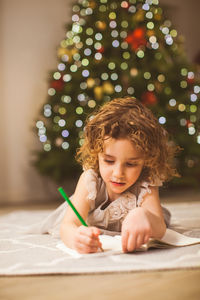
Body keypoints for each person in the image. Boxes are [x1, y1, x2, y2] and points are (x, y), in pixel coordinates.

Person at [60, 97, 180, 254]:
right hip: (76, 208)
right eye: (109, 161)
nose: (118, 174)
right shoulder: (90, 181)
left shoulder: (145, 183)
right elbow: (68, 225)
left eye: (131, 164)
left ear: (147, 160)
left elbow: (159, 227)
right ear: (97, 155)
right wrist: (77, 238)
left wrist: (141, 214)